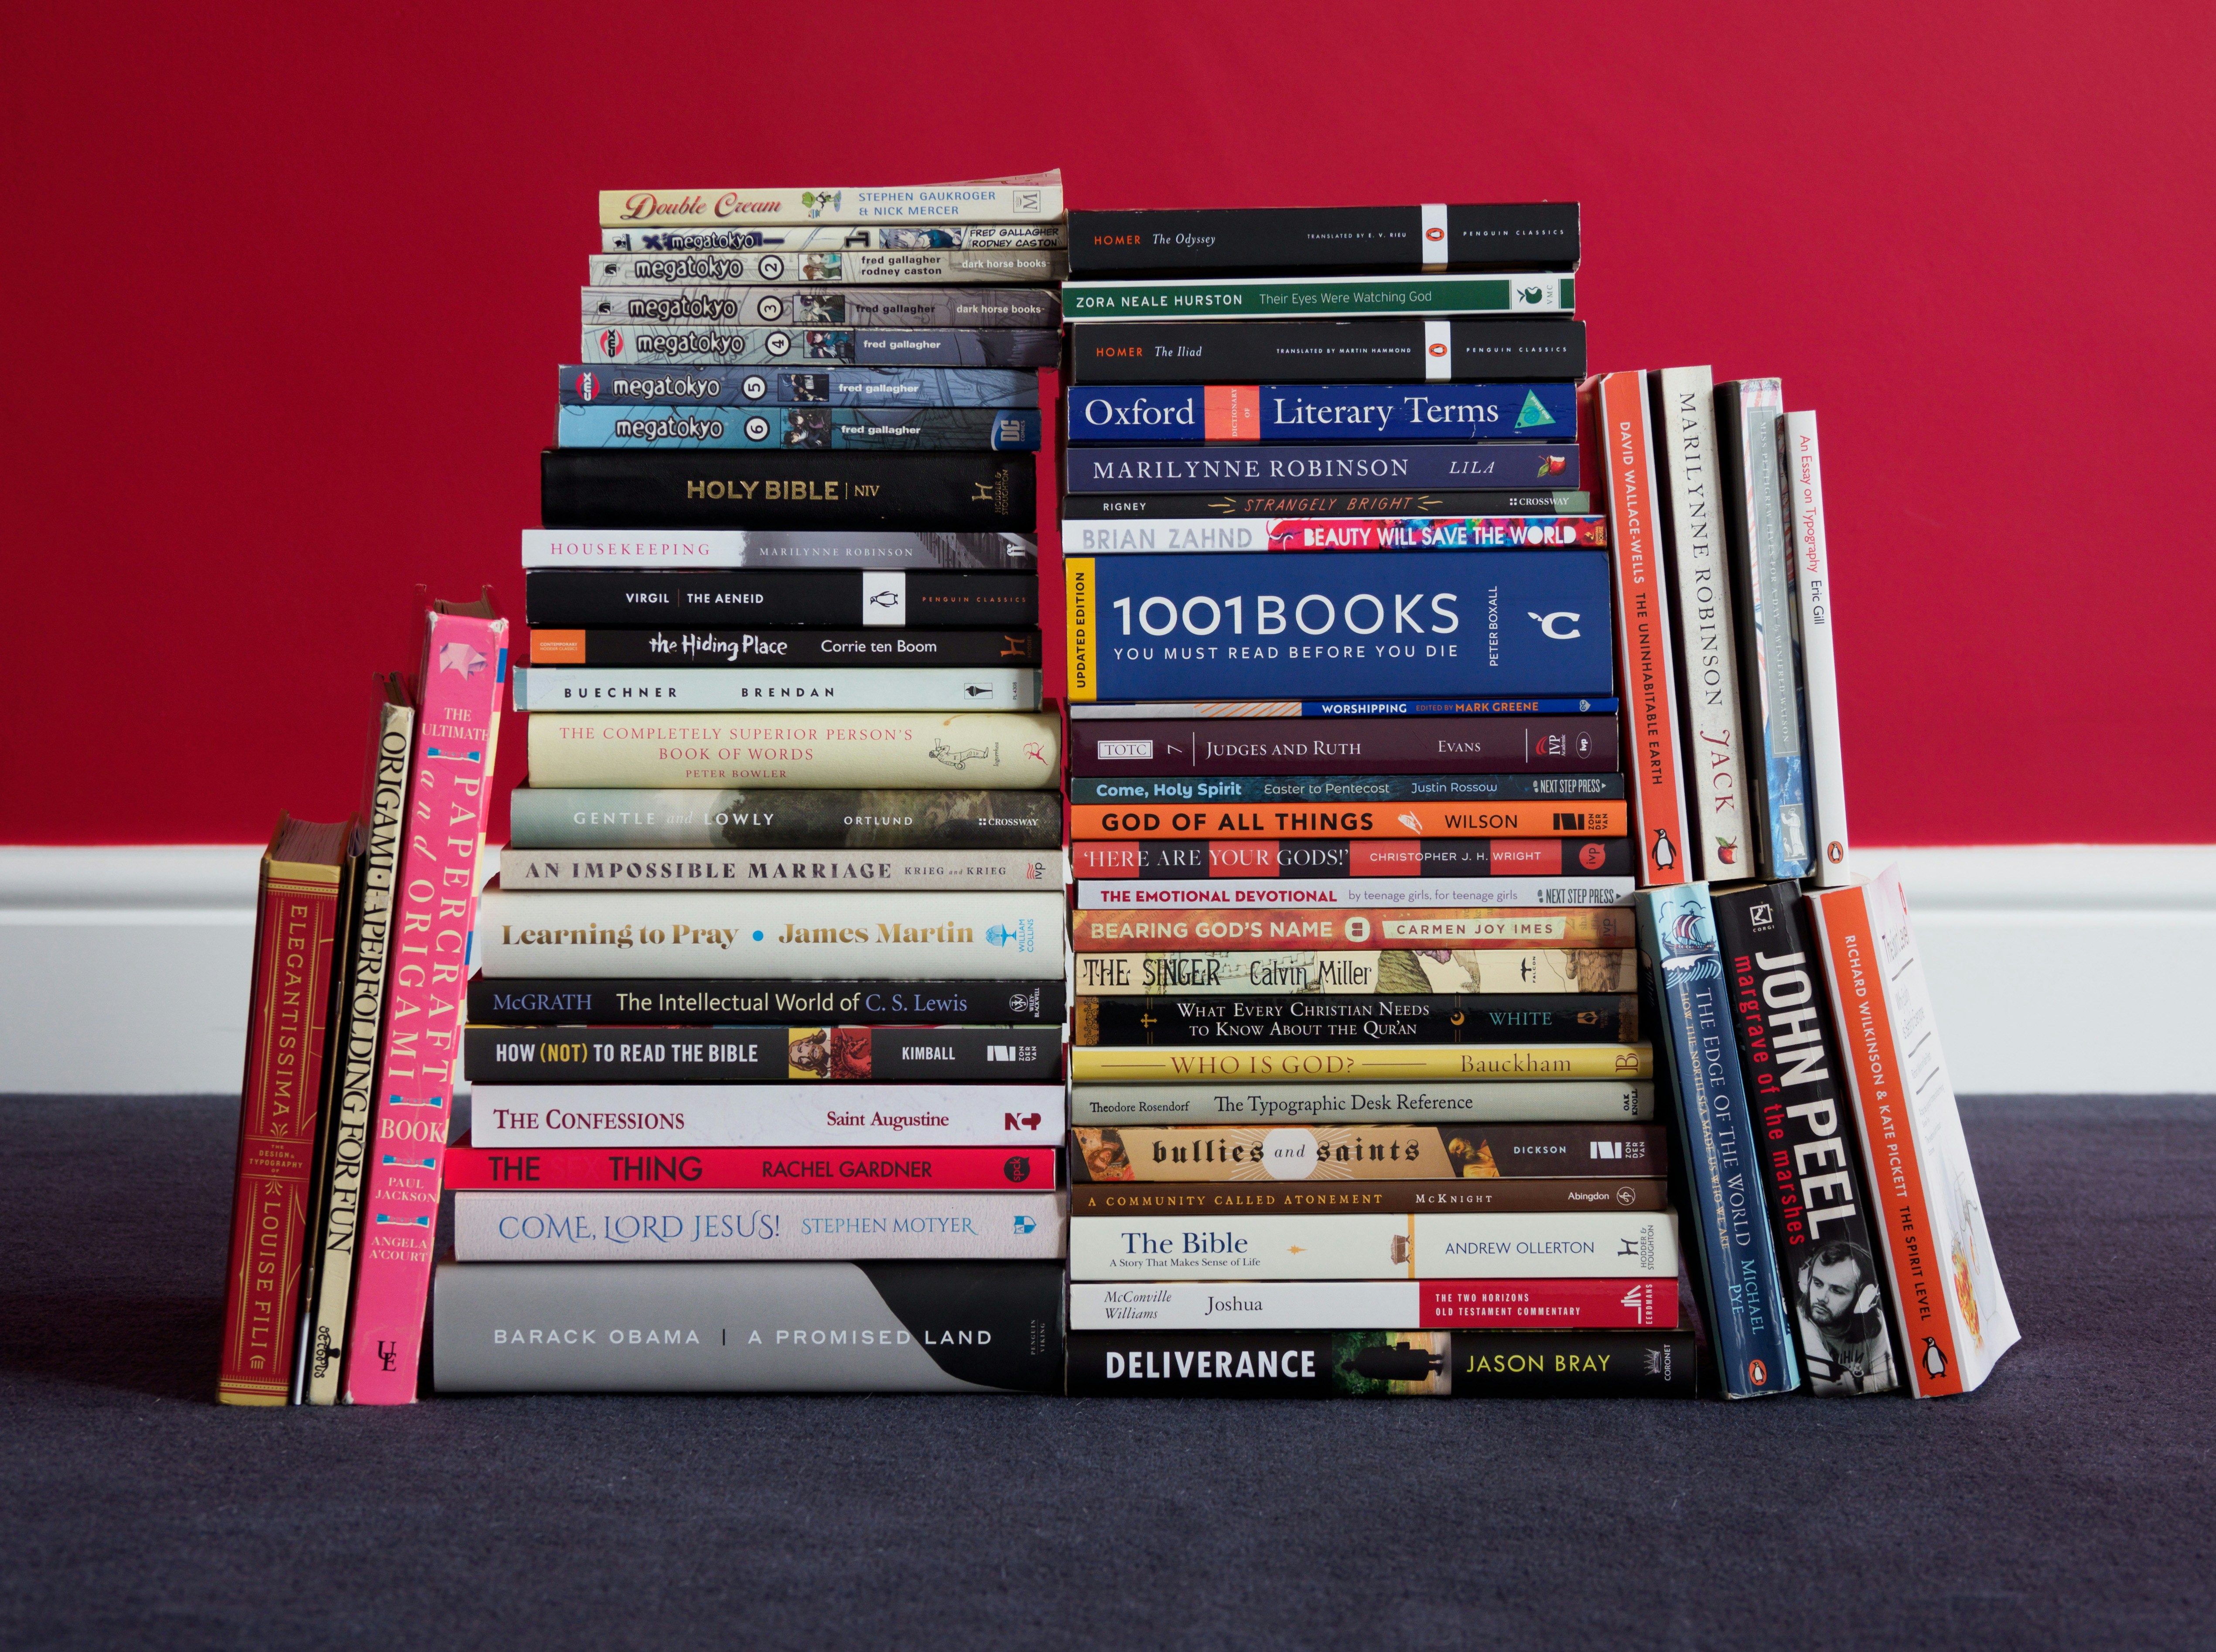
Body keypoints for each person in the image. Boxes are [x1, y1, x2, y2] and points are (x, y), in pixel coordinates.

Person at [1795, 1239, 1898, 1395]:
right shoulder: (1801, 1319)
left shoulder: (1875, 1321)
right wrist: (1864, 1382)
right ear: (1806, 1281)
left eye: (1837, 1291)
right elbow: (1827, 1385)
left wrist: (1849, 1383)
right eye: (1817, 1283)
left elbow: (1890, 1380)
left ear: (1861, 1298)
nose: (1822, 1298)